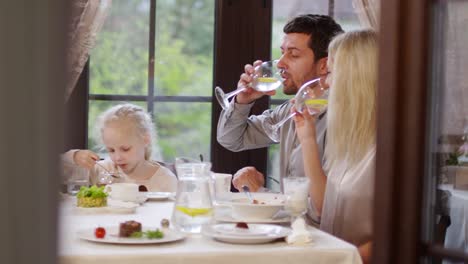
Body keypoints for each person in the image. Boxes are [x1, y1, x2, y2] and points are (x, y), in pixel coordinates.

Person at [217, 14, 343, 192]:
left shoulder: (342, 119)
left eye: (293, 55)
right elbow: (231, 139)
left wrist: (258, 192)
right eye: (282, 52)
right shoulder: (290, 110)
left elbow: (325, 208)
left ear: (324, 65)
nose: (281, 63)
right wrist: (242, 101)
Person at [294, 29, 378, 263]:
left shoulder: (392, 146)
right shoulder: (354, 137)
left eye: (331, 73)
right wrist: (307, 138)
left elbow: (401, 233)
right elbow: (323, 207)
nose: (327, 83)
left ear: (355, 77)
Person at [62, 103, 177, 192]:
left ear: (145, 139)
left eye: (125, 149)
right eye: (111, 150)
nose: (117, 157)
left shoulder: (165, 180)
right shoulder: (101, 170)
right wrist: (74, 156)